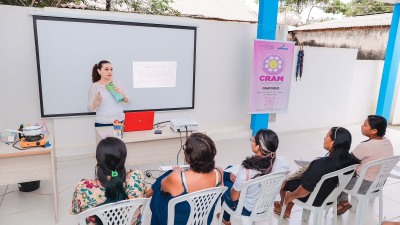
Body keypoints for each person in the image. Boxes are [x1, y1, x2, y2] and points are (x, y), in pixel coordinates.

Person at [273, 127, 359, 219]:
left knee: (285, 182)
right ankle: (286, 207)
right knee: (301, 180)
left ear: (333, 142)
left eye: (327, 136)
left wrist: (290, 196)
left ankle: (285, 207)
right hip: (331, 196)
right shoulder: (352, 161)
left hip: (315, 199)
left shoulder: (320, 164)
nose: (324, 138)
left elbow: (305, 190)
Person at [147, 133, 223, 225]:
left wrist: (175, 172)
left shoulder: (177, 178)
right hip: (202, 220)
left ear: (188, 156)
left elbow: (162, 187)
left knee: (162, 180)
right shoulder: (219, 172)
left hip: (177, 221)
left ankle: (144, 195)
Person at [219, 129, 289, 225]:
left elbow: (234, 197)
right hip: (266, 204)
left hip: (247, 209)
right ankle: (225, 217)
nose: (251, 140)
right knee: (229, 169)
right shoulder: (283, 162)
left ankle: (225, 219)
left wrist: (239, 183)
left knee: (224, 181)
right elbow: (282, 184)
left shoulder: (247, 169)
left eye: (252, 140)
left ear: (258, 147)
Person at [70, 137, 147, 225]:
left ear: (99, 161)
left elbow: (75, 211)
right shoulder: (137, 178)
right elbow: (143, 199)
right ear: (123, 160)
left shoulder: (83, 188)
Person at [336, 115, 394, 215]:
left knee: (337, 176)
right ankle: (343, 201)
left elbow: (347, 161)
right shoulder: (387, 142)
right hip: (378, 184)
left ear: (374, 131)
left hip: (363, 185)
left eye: (365, 125)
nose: (362, 126)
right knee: (352, 171)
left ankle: (342, 201)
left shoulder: (366, 146)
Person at [88, 60, 129, 127]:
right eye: (106, 69)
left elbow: (128, 100)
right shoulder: (95, 86)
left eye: (111, 69)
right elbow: (90, 108)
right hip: (102, 122)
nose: (109, 71)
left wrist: (122, 95)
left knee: (118, 138)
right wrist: (97, 101)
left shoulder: (118, 83)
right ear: (99, 71)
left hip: (119, 121)